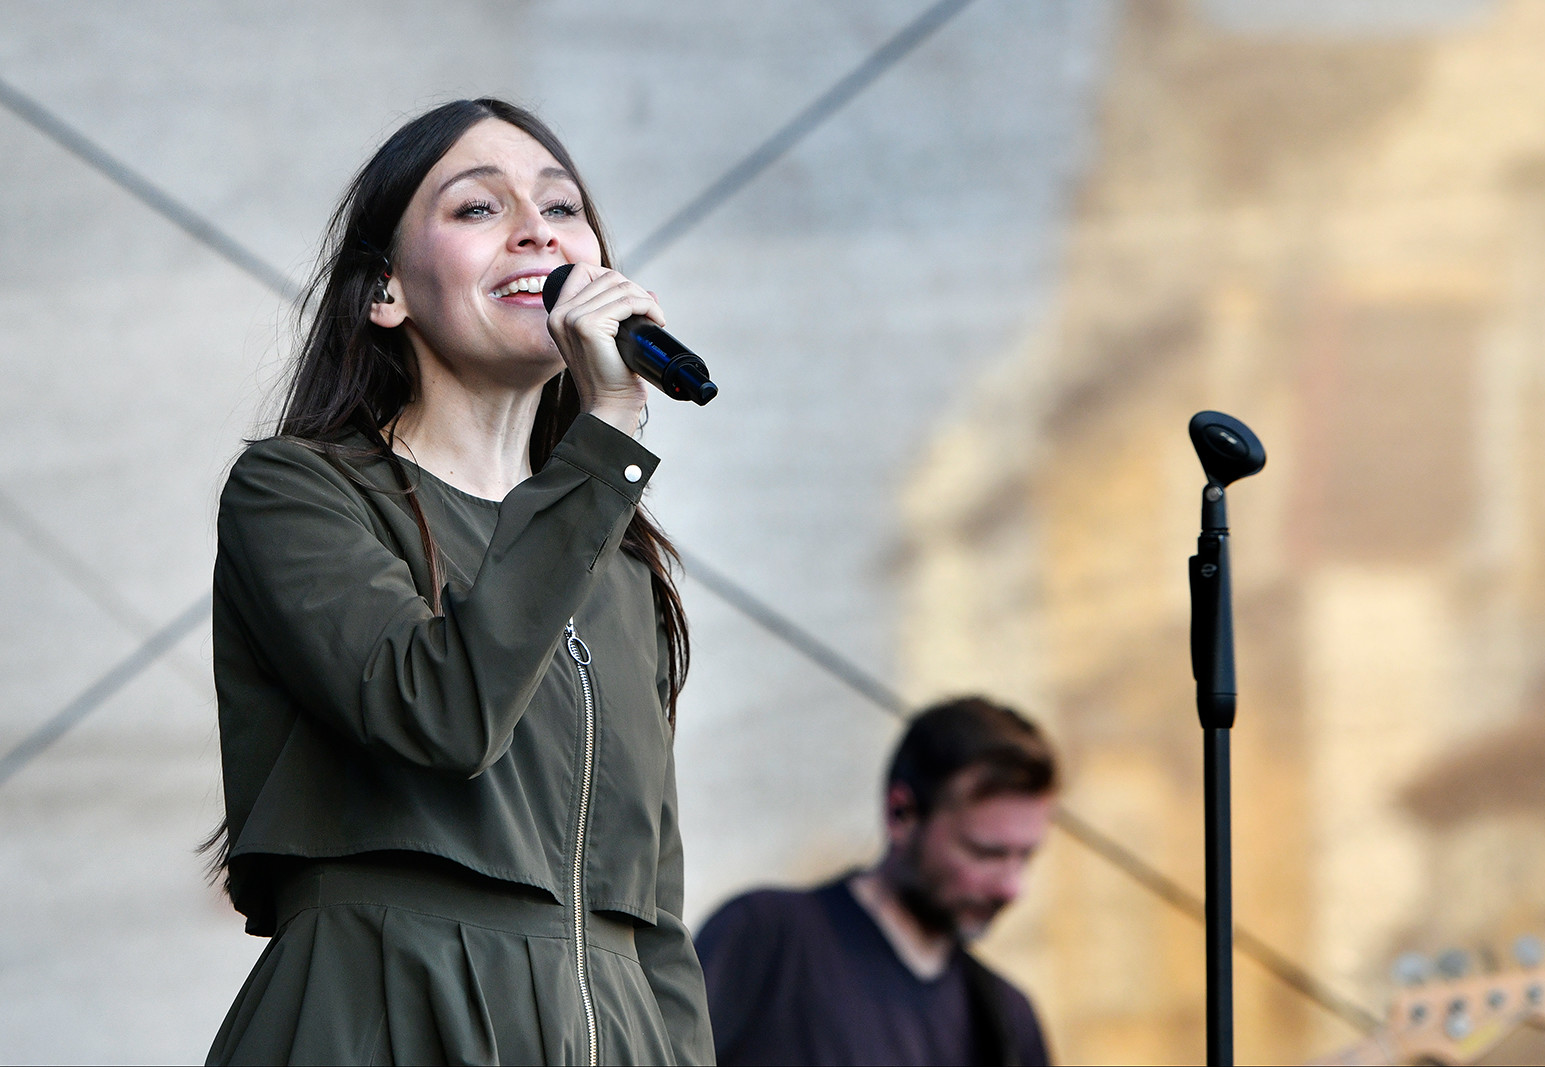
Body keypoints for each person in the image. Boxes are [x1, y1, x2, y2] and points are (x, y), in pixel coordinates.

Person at [203, 98, 713, 1065]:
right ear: (383, 292)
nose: (536, 232)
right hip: (390, 1009)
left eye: (561, 207)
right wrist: (605, 429)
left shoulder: (617, 559)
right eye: (479, 207)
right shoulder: (298, 492)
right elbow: (441, 713)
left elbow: (654, 913)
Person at [695, 697, 1058, 1066]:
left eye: (1026, 856)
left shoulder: (1011, 1022)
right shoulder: (765, 935)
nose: (1011, 889)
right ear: (901, 814)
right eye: (985, 853)